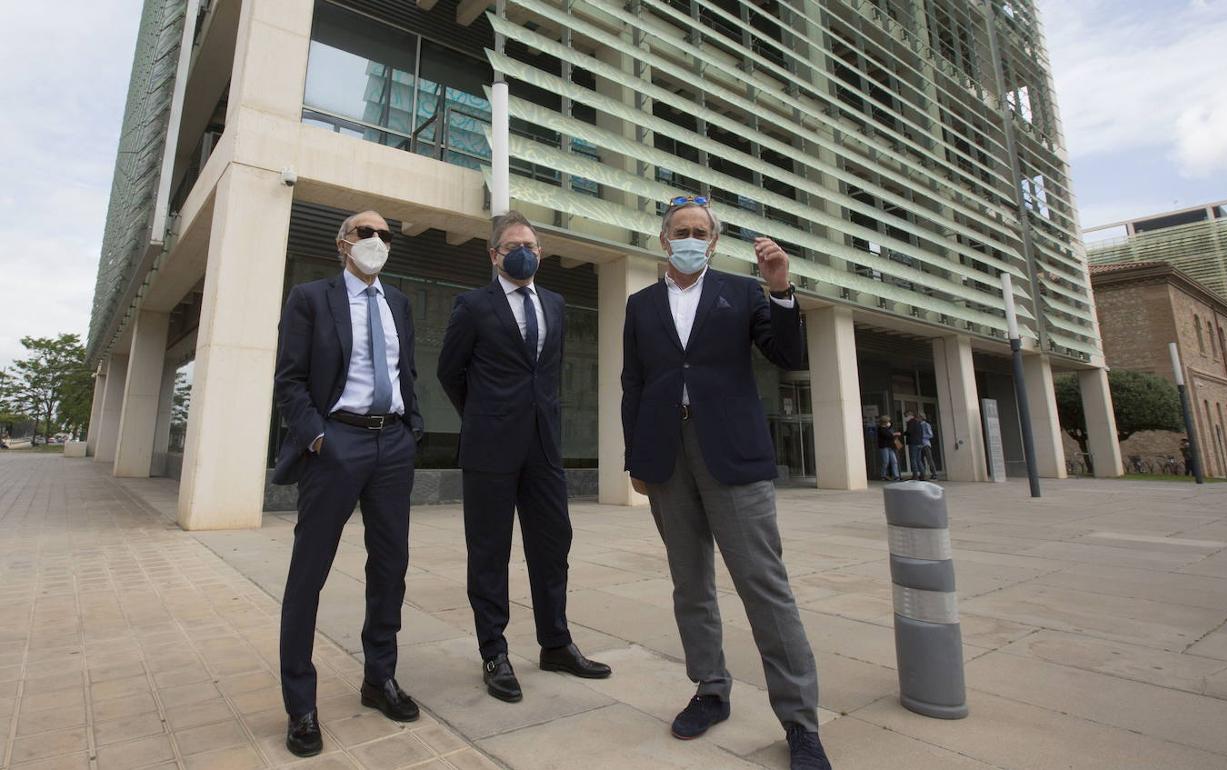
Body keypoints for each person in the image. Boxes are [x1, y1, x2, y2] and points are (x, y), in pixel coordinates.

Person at [621, 196, 832, 770]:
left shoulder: (741, 293)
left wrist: (781, 289)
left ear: (713, 243)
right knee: (690, 584)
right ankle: (710, 690)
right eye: (680, 230)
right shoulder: (640, 305)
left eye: (700, 231)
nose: (690, 238)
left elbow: (788, 354)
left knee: (764, 587)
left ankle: (800, 723)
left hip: (733, 457)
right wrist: (634, 458)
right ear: (664, 240)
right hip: (667, 458)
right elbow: (633, 384)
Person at [437, 210, 610, 704]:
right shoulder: (472, 305)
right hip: (490, 449)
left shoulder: (555, 303)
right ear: (494, 255)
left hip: (544, 448)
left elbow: (547, 375)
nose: (525, 252)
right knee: (489, 553)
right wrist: (485, 416)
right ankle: (494, 651)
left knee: (553, 547)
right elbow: (451, 372)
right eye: (515, 244)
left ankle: (555, 643)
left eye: (532, 245)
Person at [272, 210, 424, 757]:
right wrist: (317, 438)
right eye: (366, 232)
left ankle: (378, 678)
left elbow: (407, 372)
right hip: (337, 443)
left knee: (390, 567)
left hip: (392, 447)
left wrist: (413, 427)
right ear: (343, 244)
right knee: (308, 573)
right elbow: (289, 378)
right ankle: (301, 705)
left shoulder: (398, 304)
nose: (378, 240)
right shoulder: (311, 298)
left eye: (386, 234)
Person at [877, 416, 900, 481]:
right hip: (884, 447)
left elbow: (891, 427)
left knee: (894, 461)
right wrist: (894, 434)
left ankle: (896, 475)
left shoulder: (888, 428)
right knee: (886, 461)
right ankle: (883, 475)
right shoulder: (881, 429)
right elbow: (887, 435)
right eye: (888, 421)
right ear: (885, 422)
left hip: (890, 447)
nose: (889, 423)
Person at [904, 411, 925, 481]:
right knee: (919, 460)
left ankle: (915, 476)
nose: (905, 417)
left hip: (913, 443)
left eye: (906, 415)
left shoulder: (911, 422)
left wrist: (903, 433)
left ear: (910, 415)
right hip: (920, 443)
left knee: (913, 459)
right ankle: (922, 475)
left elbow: (909, 432)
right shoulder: (918, 422)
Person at [919, 412, 937, 480]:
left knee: (929, 460)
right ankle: (922, 475)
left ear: (921, 417)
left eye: (918, 417)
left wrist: (921, 436)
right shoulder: (918, 425)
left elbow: (930, 435)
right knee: (921, 460)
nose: (917, 418)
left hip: (926, 444)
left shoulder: (926, 425)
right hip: (919, 445)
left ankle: (934, 474)